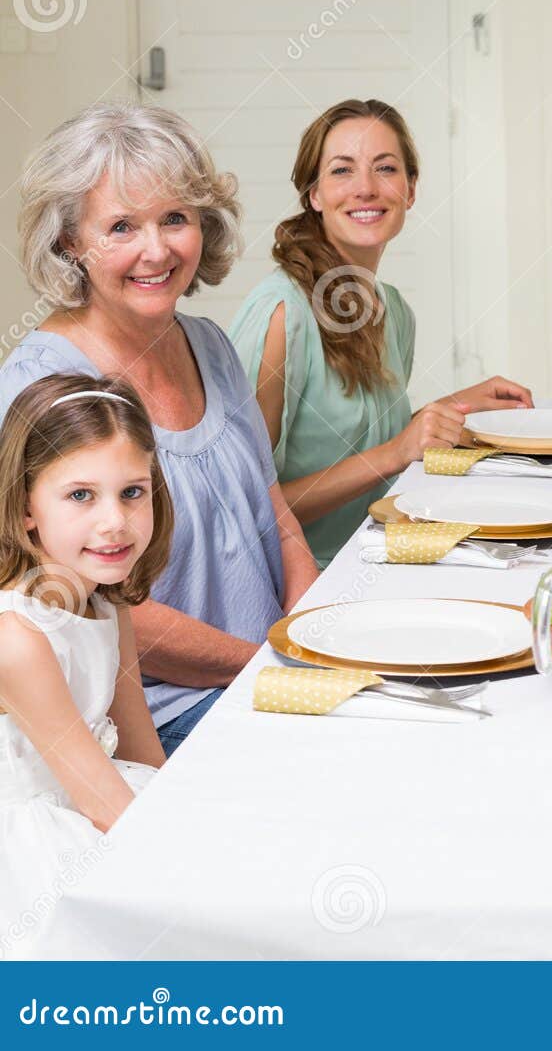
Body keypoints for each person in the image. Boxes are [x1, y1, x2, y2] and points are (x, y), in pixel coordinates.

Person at [3, 102, 318, 752]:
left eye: (174, 218)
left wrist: (312, 635)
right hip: (158, 717)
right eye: (121, 226)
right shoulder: (42, 384)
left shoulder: (210, 344)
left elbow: (274, 511)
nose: (156, 249)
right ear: (69, 243)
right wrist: (261, 662)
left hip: (265, 674)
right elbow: (85, 597)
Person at [229, 99, 532, 566]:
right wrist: (396, 452)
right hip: (302, 584)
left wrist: (447, 409)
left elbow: (364, 443)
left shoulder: (395, 311)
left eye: (385, 168)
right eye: (342, 171)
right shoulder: (280, 314)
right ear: (314, 195)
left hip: (385, 556)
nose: (366, 189)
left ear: (410, 190)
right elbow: (245, 510)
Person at [0, 375, 171, 955]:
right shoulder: (17, 637)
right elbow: (104, 806)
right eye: (80, 495)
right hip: (36, 842)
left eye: (132, 491)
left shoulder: (106, 604)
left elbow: (143, 753)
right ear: (26, 509)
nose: (114, 522)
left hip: (104, 794)